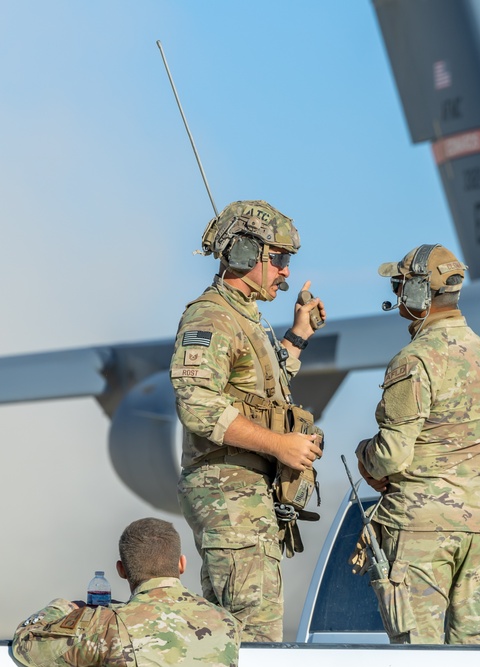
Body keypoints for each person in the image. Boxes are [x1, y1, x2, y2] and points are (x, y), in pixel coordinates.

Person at [171, 200, 325, 641]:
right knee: (250, 638)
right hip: (227, 493)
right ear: (242, 255)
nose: (286, 272)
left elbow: (261, 394)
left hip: (246, 496)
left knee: (257, 631)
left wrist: (298, 336)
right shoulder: (211, 316)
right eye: (277, 258)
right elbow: (197, 403)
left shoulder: (247, 317)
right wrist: (280, 447)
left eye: (287, 260)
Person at [355, 243, 480, 644]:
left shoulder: (416, 358)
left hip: (423, 527)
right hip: (478, 523)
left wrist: (363, 456)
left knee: (419, 650)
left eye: (400, 284)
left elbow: (391, 454)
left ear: (419, 292)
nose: (396, 293)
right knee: (476, 646)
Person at [12, 518, 241, 667]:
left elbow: (25, 644)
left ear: (121, 570)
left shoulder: (107, 624)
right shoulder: (226, 622)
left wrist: (64, 607)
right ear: (182, 564)